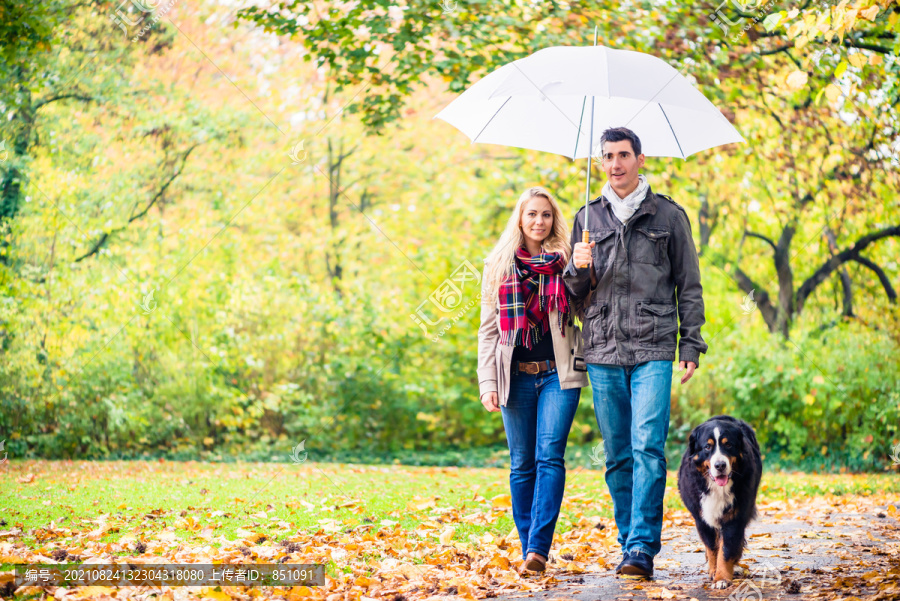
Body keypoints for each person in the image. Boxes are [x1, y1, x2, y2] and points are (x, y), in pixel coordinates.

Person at [563, 127, 708, 578]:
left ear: (640, 159)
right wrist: (576, 268)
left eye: (623, 155)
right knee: (617, 453)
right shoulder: (587, 218)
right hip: (603, 346)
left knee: (648, 445)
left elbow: (690, 284)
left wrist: (691, 342)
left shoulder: (668, 216)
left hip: (654, 346)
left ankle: (642, 547)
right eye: (607, 156)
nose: (615, 164)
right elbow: (573, 297)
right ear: (600, 161)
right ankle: (628, 538)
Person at [477, 186, 588, 574]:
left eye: (546, 215)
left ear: (553, 219)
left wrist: (583, 270)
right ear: (520, 219)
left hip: (559, 374)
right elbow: (488, 331)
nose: (539, 222)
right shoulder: (498, 265)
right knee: (521, 463)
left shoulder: (567, 261)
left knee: (549, 458)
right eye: (532, 215)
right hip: (515, 378)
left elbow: (585, 306)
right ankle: (530, 550)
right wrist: (487, 383)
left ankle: (538, 549)